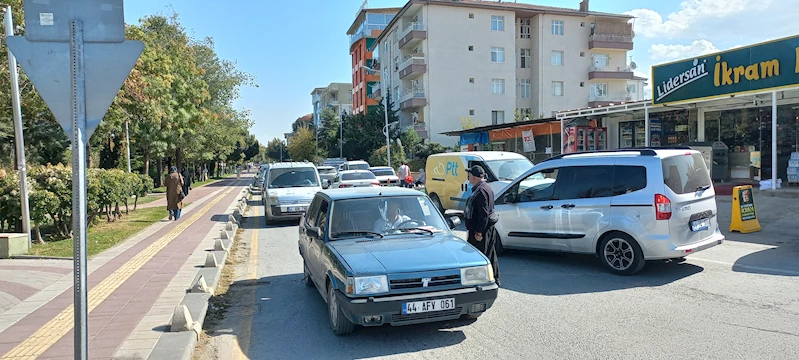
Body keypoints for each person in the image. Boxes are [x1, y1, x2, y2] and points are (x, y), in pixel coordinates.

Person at [464, 165, 500, 287]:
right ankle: (495, 278)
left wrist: (478, 232)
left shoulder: (480, 191)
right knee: (490, 254)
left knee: (480, 256)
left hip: (482, 231)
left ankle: (483, 282)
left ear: (474, 177)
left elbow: (483, 214)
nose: (468, 176)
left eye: (469, 175)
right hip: (487, 228)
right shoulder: (486, 188)